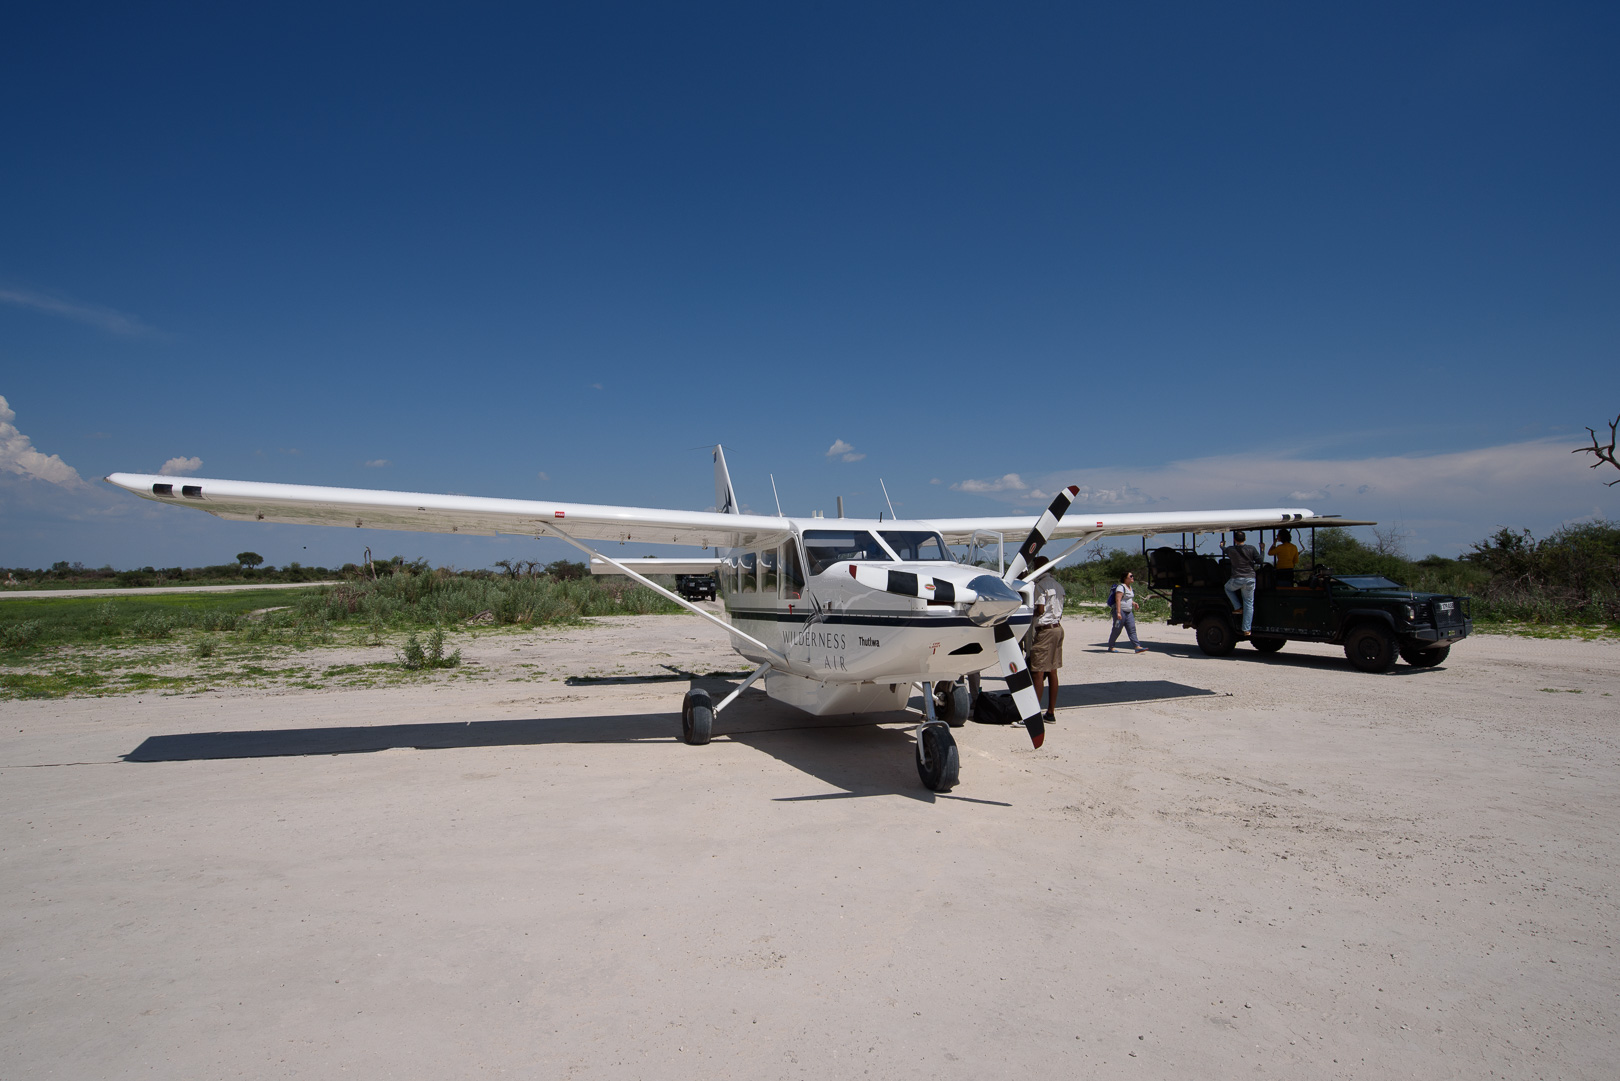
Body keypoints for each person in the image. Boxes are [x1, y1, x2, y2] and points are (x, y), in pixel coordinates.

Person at [1027, 556, 1064, 725]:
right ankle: (1050, 712)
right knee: (1052, 671)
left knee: (1037, 672)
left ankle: (1033, 715)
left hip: (1045, 631)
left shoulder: (1040, 586)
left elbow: (1040, 610)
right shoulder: (1058, 585)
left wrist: (1030, 612)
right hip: (1057, 628)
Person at [1223, 530, 1263, 635]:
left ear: (1234, 540)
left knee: (1227, 588)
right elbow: (1260, 560)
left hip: (1237, 578)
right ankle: (1246, 629)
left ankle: (1237, 607)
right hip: (1250, 578)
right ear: (1245, 539)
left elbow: (1224, 550)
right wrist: (1262, 549)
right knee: (1249, 603)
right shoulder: (1251, 548)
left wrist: (1222, 545)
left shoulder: (1231, 549)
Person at [1107, 570, 1148, 653]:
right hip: (1120, 612)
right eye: (1131, 576)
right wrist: (1118, 612)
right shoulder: (1120, 587)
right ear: (1125, 578)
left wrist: (1134, 603)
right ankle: (1111, 646)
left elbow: (1127, 599)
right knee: (1117, 630)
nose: (1133, 577)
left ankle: (1137, 646)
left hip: (1129, 612)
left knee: (1132, 629)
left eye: (1132, 576)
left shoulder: (1130, 587)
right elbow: (1118, 600)